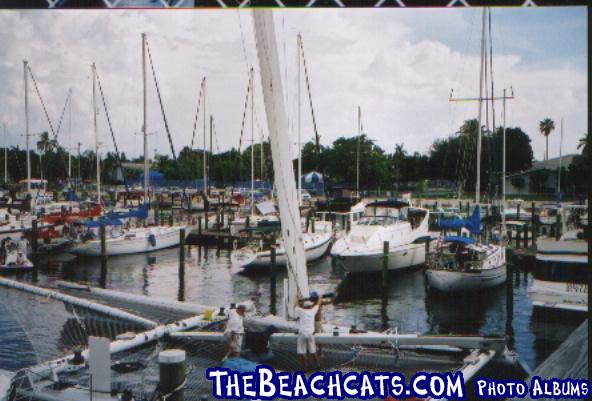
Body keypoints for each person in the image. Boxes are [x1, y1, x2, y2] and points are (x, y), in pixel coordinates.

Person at [294, 292, 322, 371]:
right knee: (313, 351)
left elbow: (296, 306)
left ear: (303, 306)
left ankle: (305, 368)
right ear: (310, 306)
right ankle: (318, 366)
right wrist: (320, 297)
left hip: (302, 333)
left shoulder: (300, 311)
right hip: (311, 333)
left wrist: (297, 298)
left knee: (303, 352)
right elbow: (318, 304)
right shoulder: (312, 311)